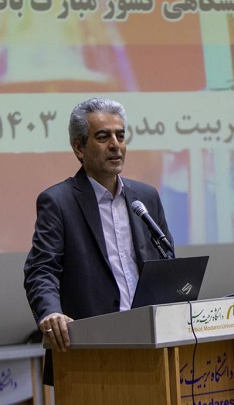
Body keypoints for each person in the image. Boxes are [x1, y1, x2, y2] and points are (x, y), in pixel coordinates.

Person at [23, 97, 174, 385]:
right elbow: (41, 269)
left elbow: (167, 261)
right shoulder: (58, 202)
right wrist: (51, 312)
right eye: (103, 137)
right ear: (79, 148)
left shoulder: (146, 197)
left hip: (151, 345)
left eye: (120, 136)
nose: (115, 145)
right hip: (91, 352)